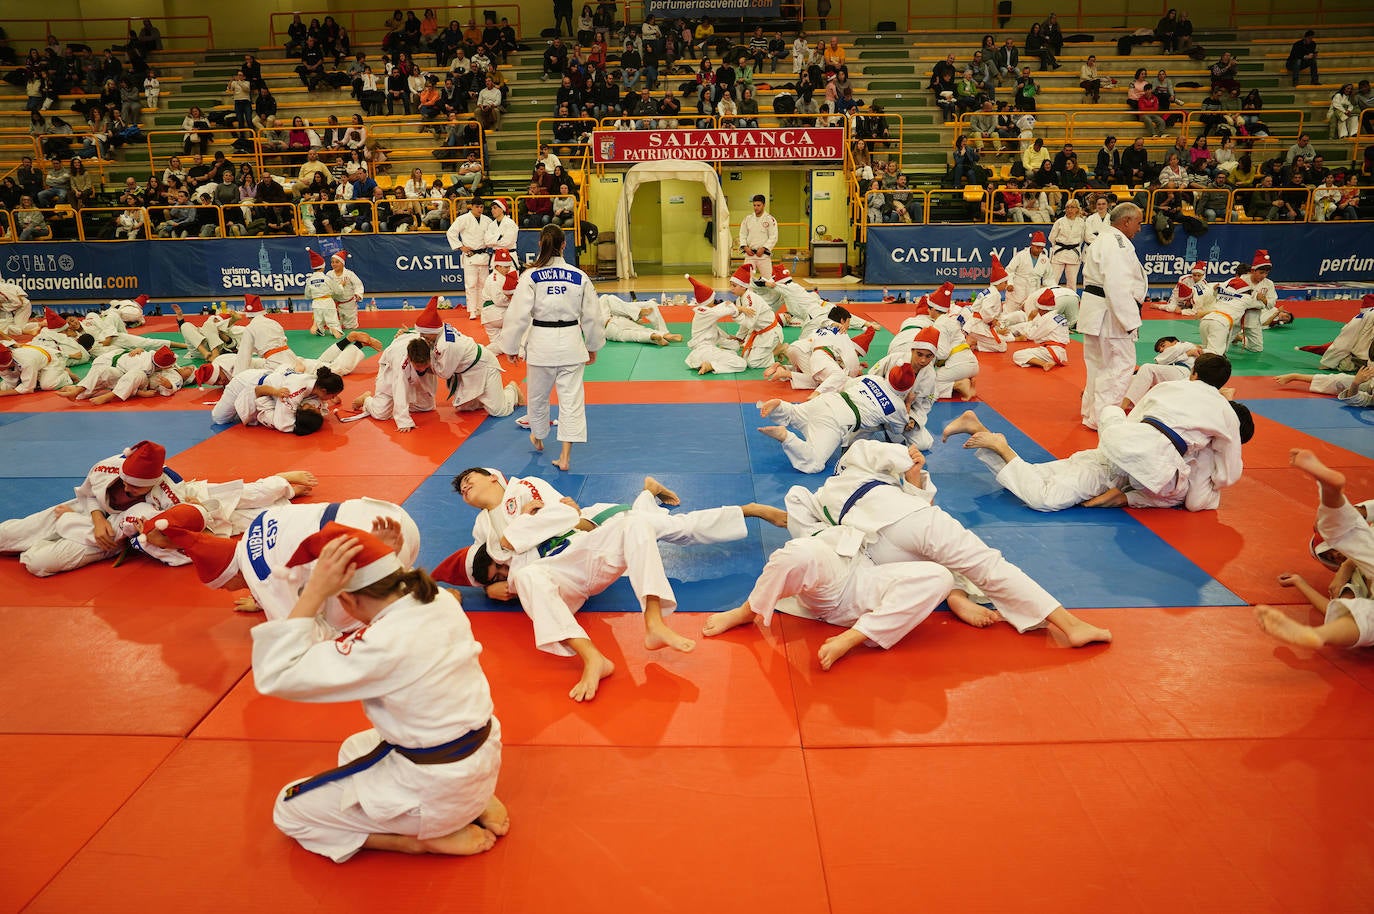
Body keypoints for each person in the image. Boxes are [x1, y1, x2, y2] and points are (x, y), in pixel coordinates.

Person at [242, 522, 507, 863]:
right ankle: (476, 800)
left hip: (438, 790)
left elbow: (276, 673)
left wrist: (314, 594)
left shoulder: (381, 646)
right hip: (479, 759)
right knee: (355, 746)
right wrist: (382, 557)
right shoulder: (439, 600)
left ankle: (418, 841)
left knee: (288, 809)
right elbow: (391, 588)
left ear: (347, 598)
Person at [442, 469, 785, 701]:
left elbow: (563, 516)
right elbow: (498, 560)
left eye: (470, 479)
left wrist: (516, 535)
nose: (465, 488)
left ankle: (654, 620)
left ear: (493, 477)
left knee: (653, 525)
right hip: (560, 573)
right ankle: (593, 658)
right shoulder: (480, 529)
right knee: (530, 575)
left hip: (587, 542)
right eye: (461, 490)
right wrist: (492, 579)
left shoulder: (522, 487)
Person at [780, 439, 1113, 647]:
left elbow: (810, 536)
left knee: (923, 567)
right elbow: (907, 465)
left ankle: (953, 594)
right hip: (907, 515)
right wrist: (911, 463)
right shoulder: (860, 452)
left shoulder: (816, 497)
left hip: (873, 547)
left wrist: (910, 475)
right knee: (985, 563)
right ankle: (1070, 625)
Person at [944, 353, 1250, 512]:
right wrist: (1214, 482)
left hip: (1118, 442)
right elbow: (1228, 475)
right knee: (1043, 498)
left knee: (1040, 475)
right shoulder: (1224, 413)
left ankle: (982, 431)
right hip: (1143, 463)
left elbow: (1140, 414)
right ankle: (999, 443)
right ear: (1222, 386)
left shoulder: (1172, 385)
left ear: (1193, 372)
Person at [495, 224, 602, 471]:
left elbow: (518, 315)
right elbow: (593, 316)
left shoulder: (530, 276)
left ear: (541, 245)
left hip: (541, 344)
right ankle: (565, 457)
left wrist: (511, 347)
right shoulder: (579, 276)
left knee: (538, 397)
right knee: (571, 400)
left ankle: (539, 437)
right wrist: (592, 344)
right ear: (564, 245)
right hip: (572, 342)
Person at [0, 440, 185, 576]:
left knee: (39, 563)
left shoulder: (170, 493)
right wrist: (97, 519)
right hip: (89, 510)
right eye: (124, 482)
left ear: (153, 483)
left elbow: (182, 533)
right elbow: (88, 494)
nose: (127, 488)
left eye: (135, 487)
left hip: (113, 535)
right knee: (6, 534)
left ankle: (61, 527)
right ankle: (63, 524)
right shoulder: (106, 467)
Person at [1256, 450, 1374, 651]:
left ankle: (1331, 492)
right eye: (1331, 557)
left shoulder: (1362, 539)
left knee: (1344, 533)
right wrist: (1299, 583)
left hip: (1359, 537)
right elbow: (1336, 609)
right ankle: (1316, 635)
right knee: (1365, 616)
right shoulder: (1351, 584)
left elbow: (1355, 530)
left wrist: (1347, 564)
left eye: (1332, 551)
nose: (1336, 555)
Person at [757, 364, 918, 474]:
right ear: (907, 388)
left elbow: (848, 385)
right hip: (837, 421)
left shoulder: (873, 379)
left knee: (796, 414)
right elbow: (900, 430)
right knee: (814, 463)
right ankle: (786, 437)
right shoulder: (897, 406)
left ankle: (781, 407)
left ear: (889, 376)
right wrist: (908, 403)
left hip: (827, 400)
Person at [1079, 202, 1146, 430]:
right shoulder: (1117, 243)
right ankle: (1105, 420)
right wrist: (1130, 322)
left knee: (1098, 365)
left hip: (1096, 310)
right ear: (1126, 221)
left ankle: (1092, 414)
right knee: (1120, 365)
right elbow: (1117, 284)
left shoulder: (1104, 239)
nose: (1139, 228)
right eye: (1138, 222)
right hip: (1111, 312)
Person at [446, 197, 492, 320]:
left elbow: (491, 235)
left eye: (481, 207)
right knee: (471, 284)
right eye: (477, 207)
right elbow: (451, 232)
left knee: (483, 284)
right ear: (471, 206)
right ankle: (472, 310)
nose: (479, 209)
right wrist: (461, 247)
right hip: (470, 255)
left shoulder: (487, 220)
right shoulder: (463, 219)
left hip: (483, 255)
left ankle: (482, 309)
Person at [1047, 199, 1087, 289]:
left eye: (1072, 207)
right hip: (1059, 252)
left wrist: (1072, 245)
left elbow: (1081, 239)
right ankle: (1050, 300)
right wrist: (1060, 246)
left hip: (1073, 253)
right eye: (1067, 207)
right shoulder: (1059, 221)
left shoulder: (1081, 222)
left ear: (1077, 209)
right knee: (1053, 280)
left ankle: (1072, 300)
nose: (1069, 210)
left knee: (1072, 282)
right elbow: (1051, 238)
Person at [737, 194, 778, 279]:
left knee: (768, 279)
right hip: (750, 254)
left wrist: (763, 248)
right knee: (746, 279)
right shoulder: (747, 219)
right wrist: (745, 247)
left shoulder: (770, 219)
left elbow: (773, 236)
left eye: (758, 205)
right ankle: (748, 293)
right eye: (754, 205)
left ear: (764, 205)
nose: (756, 207)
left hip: (763, 255)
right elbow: (742, 234)